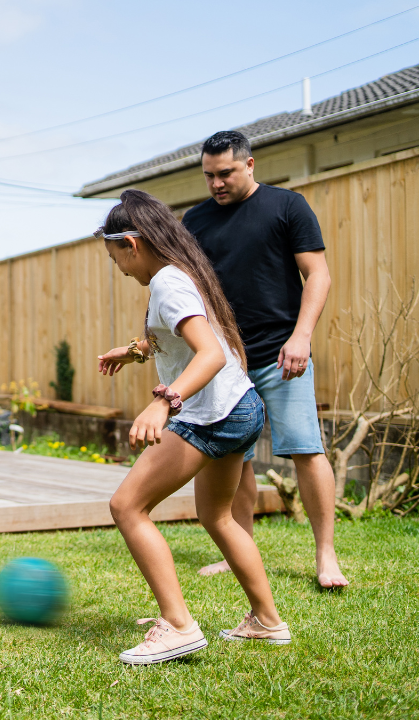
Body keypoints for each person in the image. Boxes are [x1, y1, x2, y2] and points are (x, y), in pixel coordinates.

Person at [96, 189, 290, 666]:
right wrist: (137, 350)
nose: (117, 267)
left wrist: (164, 402)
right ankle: (267, 621)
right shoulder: (181, 273)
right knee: (218, 516)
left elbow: (211, 352)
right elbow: (179, 336)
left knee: (127, 506)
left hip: (211, 415)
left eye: (114, 256)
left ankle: (178, 626)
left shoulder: (168, 282)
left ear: (132, 244)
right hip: (241, 406)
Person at [183, 130, 347, 589]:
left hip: (282, 353)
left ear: (250, 165)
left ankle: (325, 555)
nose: (216, 184)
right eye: (209, 176)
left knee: (305, 448)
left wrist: (301, 337)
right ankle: (241, 549)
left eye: (226, 173)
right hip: (226, 359)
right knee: (233, 458)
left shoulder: (286, 206)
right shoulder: (196, 220)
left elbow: (317, 274)